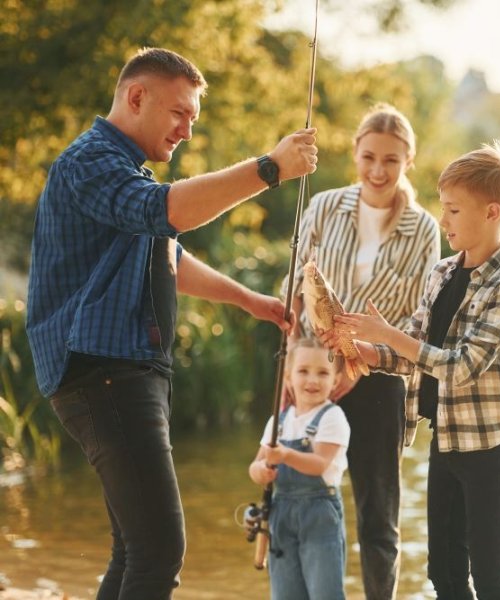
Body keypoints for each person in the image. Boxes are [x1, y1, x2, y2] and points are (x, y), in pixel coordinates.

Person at [25, 47, 318, 598]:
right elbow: (169, 212)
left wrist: (249, 300)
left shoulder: (124, 172)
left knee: (135, 551)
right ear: (136, 97)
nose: (186, 130)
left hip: (120, 373)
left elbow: (167, 254)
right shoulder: (89, 161)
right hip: (105, 373)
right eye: (179, 113)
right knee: (159, 552)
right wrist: (270, 168)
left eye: (193, 119)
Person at [325, 140, 500, 600]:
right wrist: (365, 350)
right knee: (444, 572)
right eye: (443, 208)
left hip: (491, 448)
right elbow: (413, 353)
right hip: (448, 439)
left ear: (492, 212)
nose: (443, 220)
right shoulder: (442, 273)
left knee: (490, 574)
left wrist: (389, 334)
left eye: (454, 210)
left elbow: (460, 367)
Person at [283, 103, 440, 599]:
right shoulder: (324, 205)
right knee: (300, 502)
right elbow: (294, 286)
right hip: (312, 374)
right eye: (369, 156)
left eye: (391, 160)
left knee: (378, 519)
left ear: (408, 161)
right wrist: (297, 359)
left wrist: (365, 357)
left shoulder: (425, 229)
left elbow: (420, 317)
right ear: (355, 152)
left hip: (379, 382)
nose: (378, 170)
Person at [249, 337, 351, 599]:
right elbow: (256, 465)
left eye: (323, 373)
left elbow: (319, 464)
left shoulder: (332, 417)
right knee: (285, 592)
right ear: (288, 378)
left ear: (336, 381)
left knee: (325, 592)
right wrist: (261, 471)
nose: (312, 380)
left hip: (320, 516)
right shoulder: (278, 421)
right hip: (281, 515)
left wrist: (285, 455)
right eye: (303, 371)